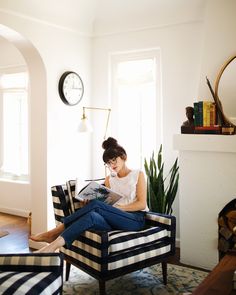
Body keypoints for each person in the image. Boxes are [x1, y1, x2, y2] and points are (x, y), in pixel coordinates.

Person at [30, 137, 148, 252]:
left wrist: (119, 208)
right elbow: (106, 202)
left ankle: (53, 232)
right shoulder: (109, 179)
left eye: (114, 160)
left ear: (123, 157)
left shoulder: (137, 174)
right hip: (114, 219)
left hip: (135, 219)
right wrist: (89, 200)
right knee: (91, 216)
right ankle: (52, 246)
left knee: (96, 205)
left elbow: (141, 204)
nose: (112, 165)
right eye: (108, 163)